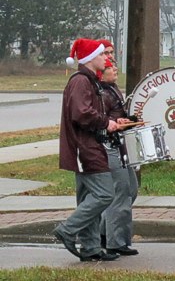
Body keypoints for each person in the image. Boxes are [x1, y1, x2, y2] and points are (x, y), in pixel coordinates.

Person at [55, 38, 119, 262]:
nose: (107, 58)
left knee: (87, 198)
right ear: (91, 58)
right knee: (104, 193)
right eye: (103, 55)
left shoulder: (90, 81)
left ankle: (90, 247)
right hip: (85, 147)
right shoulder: (82, 81)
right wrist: (105, 123)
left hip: (87, 144)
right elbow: (81, 113)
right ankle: (67, 229)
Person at [96, 39, 139, 257]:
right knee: (120, 193)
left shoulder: (111, 88)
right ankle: (116, 241)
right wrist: (114, 124)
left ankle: (105, 232)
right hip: (110, 147)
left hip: (119, 146)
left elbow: (114, 116)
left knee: (130, 190)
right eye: (107, 54)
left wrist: (128, 119)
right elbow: (100, 120)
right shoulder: (101, 92)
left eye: (112, 53)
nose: (112, 59)